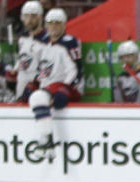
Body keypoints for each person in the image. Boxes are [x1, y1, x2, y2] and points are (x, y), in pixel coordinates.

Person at [26, 8, 83, 159]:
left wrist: (66, 87)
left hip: (66, 86)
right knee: (35, 97)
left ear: (64, 25)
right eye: (50, 23)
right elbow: (44, 70)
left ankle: (46, 142)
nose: (53, 27)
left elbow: (76, 69)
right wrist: (34, 82)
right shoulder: (45, 46)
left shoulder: (69, 42)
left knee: (37, 98)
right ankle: (46, 142)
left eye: (57, 23)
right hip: (50, 87)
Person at [15, 0, 45, 102]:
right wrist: (14, 70)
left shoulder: (47, 40)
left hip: (38, 91)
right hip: (21, 88)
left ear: (40, 17)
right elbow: (23, 59)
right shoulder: (22, 38)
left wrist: (37, 81)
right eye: (26, 16)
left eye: (33, 16)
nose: (29, 20)